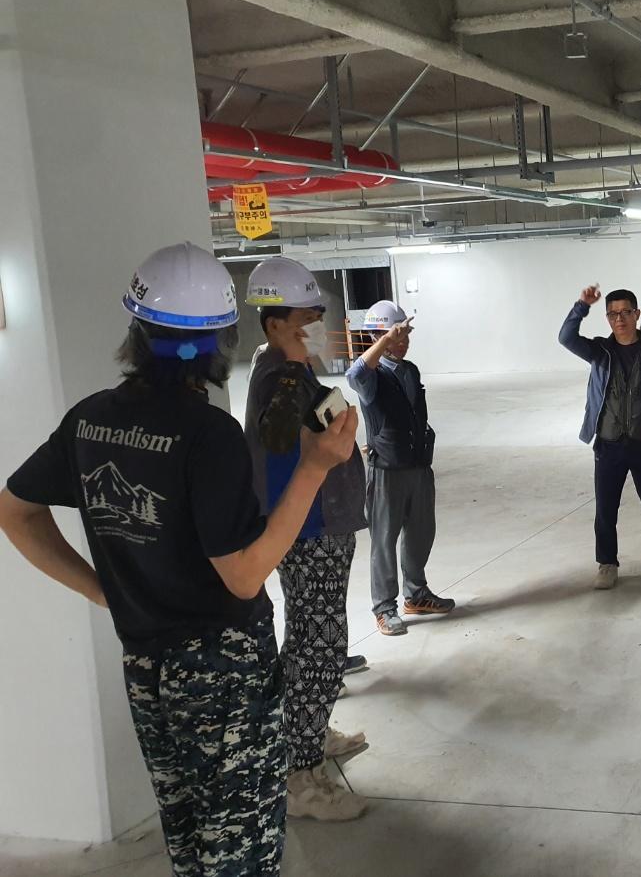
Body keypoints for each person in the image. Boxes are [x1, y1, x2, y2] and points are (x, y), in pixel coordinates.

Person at [0, 243, 358, 877]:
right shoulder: (206, 433)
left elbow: (15, 511)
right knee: (241, 848)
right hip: (223, 672)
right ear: (220, 342)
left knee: (189, 836)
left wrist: (102, 590)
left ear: (136, 334)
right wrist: (314, 467)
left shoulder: (89, 420)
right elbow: (243, 575)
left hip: (146, 664)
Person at [243, 256, 369, 820]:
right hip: (308, 529)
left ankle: (307, 734)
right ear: (276, 325)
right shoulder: (281, 376)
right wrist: (300, 370)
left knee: (311, 638)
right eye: (306, 318)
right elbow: (280, 434)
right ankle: (299, 777)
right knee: (320, 646)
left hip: (321, 525)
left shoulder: (288, 370)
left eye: (319, 314)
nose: (317, 324)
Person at [558, 284, 641, 589]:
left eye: (625, 312)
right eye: (613, 314)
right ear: (608, 318)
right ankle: (607, 563)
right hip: (608, 444)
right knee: (606, 509)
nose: (619, 319)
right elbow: (566, 338)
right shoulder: (600, 351)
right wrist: (582, 306)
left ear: (636, 314)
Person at [347, 299, 454, 636]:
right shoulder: (371, 376)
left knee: (421, 533)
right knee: (384, 540)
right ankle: (384, 607)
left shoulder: (410, 371)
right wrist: (385, 340)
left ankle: (416, 594)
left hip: (418, 464)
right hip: (387, 470)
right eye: (397, 336)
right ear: (377, 337)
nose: (403, 342)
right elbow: (354, 374)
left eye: (406, 335)